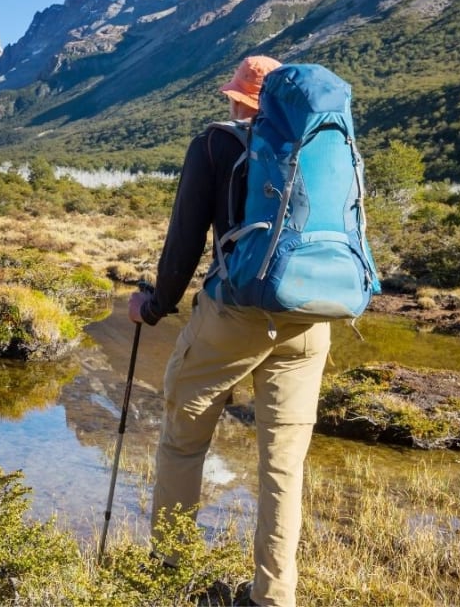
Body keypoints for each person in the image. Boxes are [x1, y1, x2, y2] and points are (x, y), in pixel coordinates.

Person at [128, 55, 331, 607]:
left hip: (234, 315)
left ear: (241, 99)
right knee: (283, 465)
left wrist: (154, 306)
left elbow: (184, 242)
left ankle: (169, 569)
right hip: (309, 319)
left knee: (183, 441)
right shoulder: (319, 146)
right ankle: (273, 596)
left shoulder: (215, 144)